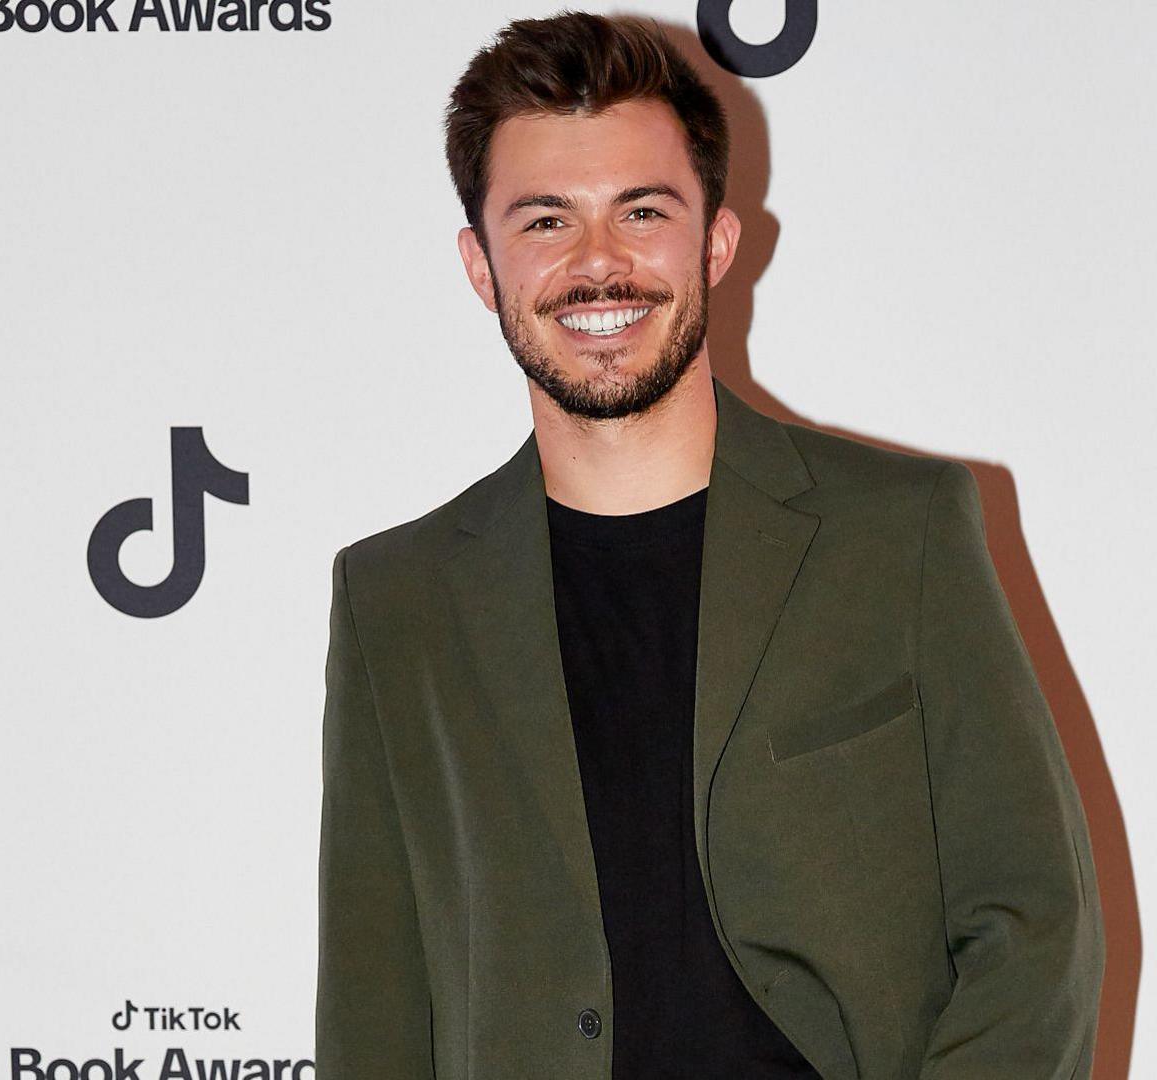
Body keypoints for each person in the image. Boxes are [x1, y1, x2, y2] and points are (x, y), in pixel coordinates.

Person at [316, 12, 1104, 1079]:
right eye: (545, 221)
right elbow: (374, 1007)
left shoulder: (900, 533)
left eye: (642, 212)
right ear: (479, 263)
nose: (599, 264)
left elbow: (1034, 925)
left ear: (715, 241)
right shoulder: (397, 598)